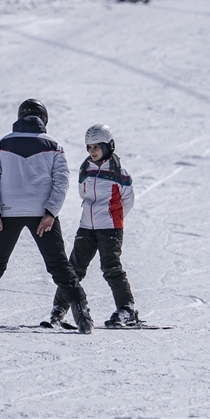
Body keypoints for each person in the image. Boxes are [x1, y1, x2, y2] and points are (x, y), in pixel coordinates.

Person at [0, 99, 94, 333]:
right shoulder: (54, 146)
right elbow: (61, 181)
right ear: (43, 119)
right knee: (59, 266)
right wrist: (50, 212)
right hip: (42, 213)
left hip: (8, 212)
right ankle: (83, 315)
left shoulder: (3, 144)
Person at [46, 124, 138, 328]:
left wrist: (113, 218)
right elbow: (83, 193)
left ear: (108, 146)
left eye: (97, 147)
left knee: (111, 268)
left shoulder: (118, 171)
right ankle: (59, 308)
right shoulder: (85, 168)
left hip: (110, 227)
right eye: (89, 147)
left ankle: (127, 309)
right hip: (87, 226)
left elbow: (128, 200)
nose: (92, 151)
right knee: (73, 269)